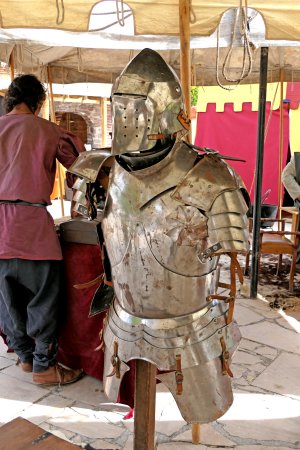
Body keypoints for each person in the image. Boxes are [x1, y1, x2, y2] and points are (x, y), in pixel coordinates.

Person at [0, 74, 85, 385]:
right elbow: (83, 172)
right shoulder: (50, 131)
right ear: (37, 103)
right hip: (33, 227)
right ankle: (44, 367)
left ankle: (24, 357)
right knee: (43, 298)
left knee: (7, 299)